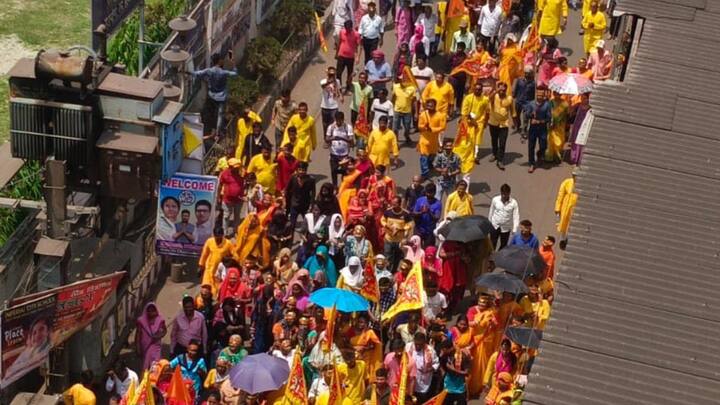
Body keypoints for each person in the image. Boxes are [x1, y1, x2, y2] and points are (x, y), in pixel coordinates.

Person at [192, 52, 237, 138]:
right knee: (220, 115)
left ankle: (208, 130)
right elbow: (235, 74)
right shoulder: (223, 72)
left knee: (211, 114)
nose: (223, 61)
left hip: (211, 96)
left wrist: (186, 72)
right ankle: (217, 133)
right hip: (221, 98)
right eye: (222, 60)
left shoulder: (209, 71)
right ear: (219, 61)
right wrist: (233, 63)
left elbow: (197, 73)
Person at [457, 82, 489, 173]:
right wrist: (469, 121)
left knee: (477, 139)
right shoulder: (468, 98)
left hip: (480, 122)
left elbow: (487, 112)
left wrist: (485, 122)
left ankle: (475, 155)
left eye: (479, 89)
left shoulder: (485, 99)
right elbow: (464, 112)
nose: (478, 90)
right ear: (473, 89)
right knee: (466, 138)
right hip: (468, 121)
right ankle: (464, 154)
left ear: (482, 90)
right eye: (476, 89)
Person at [381, 196, 413, 271]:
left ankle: (394, 270)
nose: (393, 205)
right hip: (389, 239)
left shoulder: (405, 214)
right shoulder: (388, 212)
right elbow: (382, 220)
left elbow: (410, 224)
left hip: (399, 240)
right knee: (388, 256)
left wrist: (400, 229)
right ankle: (387, 271)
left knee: (397, 257)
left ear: (399, 204)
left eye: (395, 203)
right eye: (392, 203)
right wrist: (388, 226)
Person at [417, 99, 447, 179]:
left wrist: (432, 129)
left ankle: (430, 164)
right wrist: (424, 127)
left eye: (431, 106)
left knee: (431, 156)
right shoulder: (423, 115)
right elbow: (420, 126)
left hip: (434, 141)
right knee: (423, 158)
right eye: (428, 106)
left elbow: (443, 127)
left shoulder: (440, 116)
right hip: (424, 141)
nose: (430, 108)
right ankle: (425, 173)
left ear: (435, 106)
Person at [198, 227, 233, 295]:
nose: (218, 238)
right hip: (209, 268)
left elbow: (234, 255)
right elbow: (204, 254)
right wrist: (201, 266)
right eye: (216, 236)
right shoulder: (209, 241)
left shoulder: (228, 243)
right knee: (206, 287)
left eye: (220, 236)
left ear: (223, 235)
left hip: (220, 270)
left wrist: (229, 259)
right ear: (214, 235)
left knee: (217, 289)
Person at [525, 88, 552, 173]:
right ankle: (531, 164)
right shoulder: (531, 104)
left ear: (544, 96)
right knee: (531, 146)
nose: (539, 97)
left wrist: (540, 121)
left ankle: (540, 154)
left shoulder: (547, 105)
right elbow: (526, 115)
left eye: (541, 95)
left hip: (542, 128)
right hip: (533, 129)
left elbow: (548, 118)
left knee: (543, 145)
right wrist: (531, 115)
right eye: (538, 95)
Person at [325, 111, 354, 187]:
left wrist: (342, 138)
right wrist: (333, 138)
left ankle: (344, 186)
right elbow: (327, 139)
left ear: (343, 119)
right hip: (334, 154)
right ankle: (335, 186)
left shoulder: (348, 127)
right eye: (337, 120)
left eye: (340, 120)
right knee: (334, 171)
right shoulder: (331, 127)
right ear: (335, 119)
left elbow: (351, 141)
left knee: (345, 172)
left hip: (344, 155)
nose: (339, 122)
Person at [285, 161, 317, 232]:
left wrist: (311, 206)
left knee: (308, 224)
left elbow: (313, 194)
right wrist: (286, 203)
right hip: (294, 205)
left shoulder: (311, 180)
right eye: (300, 170)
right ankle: (290, 241)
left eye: (303, 170)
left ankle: (306, 241)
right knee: (292, 225)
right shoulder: (293, 178)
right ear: (297, 170)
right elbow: (287, 190)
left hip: (305, 205)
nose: (301, 172)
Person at [136, 302, 167, 370]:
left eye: (153, 310)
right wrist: (138, 348)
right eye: (149, 311)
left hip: (156, 345)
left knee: (156, 364)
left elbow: (164, 331)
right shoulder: (141, 321)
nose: (151, 313)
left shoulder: (160, 320)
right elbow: (138, 334)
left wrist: (158, 336)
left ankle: (156, 378)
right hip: (145, 347)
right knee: (146, 365)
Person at [488, 184, 520, 250]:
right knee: (492, 244)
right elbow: (491, 211)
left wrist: (515, 229)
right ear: (501, 192)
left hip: (505, 228)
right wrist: (489, 223)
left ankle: (499, 258)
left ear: (509, 193)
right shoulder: (495, 200)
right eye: (503, 194)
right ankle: (491, 258)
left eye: (506, 194)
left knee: (503, 245)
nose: (504, 196)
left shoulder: (514, 203)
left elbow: (516, 216)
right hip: (494, 226)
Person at [440, 338, 470, 405]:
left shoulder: (463, 356)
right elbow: (442, 366)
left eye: (444, 349)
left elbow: (466, 373)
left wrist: (453, 370)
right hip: (448, 387)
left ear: (450, 348)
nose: (442, 351)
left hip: (459, 388)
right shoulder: (444, 356)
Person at [218, 158, 244, 234]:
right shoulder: (224, 173)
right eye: (235, 167)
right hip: (227, 199)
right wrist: (218, 197)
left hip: (239, 199)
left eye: (238, 167)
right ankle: (224, 234)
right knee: (226, 216)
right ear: (230, 166)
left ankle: (236, 232)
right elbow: (220, 185)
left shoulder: (242, 172)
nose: (237, 168)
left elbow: (248, 179)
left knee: (237, 216)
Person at [555, 169, 578, 249]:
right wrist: (557, 208)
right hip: (565, 208)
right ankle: (563, 240)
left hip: (575, 208)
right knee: (563, 224)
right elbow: (560, 195)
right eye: (574, 175)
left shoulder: (582, 186)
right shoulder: (567, 182)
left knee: (571, 225)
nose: (575, 177)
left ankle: (571, 239)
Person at [336, 20, 361, 91]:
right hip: (341, 56)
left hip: (350, 57)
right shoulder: (342, 32)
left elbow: (359, 46)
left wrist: (357, 57)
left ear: (351, 27)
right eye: (346, 28)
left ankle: (348, 87)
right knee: (338, 72)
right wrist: (337, 53)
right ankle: (339, 87)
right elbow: (339, 42)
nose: (347, 30)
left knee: (350, 74)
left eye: (349, 28)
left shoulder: (356, 34)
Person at [391, 74, 416, 144]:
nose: (402, 81)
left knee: (407, 127)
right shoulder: (395, 87)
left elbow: (414, 101)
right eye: (401, 79)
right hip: (397, 110)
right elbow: (393, 98)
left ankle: (406, 135)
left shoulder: (412, 88)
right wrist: (390, 107)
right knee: (395, 128)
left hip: (407, 111)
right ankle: (395, 142)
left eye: (404, 79)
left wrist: (416, 112)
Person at [512, 66, 536, 137]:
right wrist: (514, 96)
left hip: (527, 102)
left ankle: (524, 131)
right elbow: (515, 89)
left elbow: (534, 93)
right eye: (526, 73)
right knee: (516, 115)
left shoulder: (533, 83)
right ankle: (517, 126)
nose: (527, 75)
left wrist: (533, 103)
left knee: (526, 117)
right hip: (519, 100)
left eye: (529, 73)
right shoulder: (519, 80)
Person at [546, 91, 570, 163]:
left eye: (558, 94)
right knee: (551, 139)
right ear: (553, 94)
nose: (557, 96)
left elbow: (567, 114)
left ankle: (557, 155)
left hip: (561, 125)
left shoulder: (565, 104)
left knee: (560, 140)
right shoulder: (550, 103)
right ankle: (550, 156)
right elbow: (547, 112)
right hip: (551, 124)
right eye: (555, 94)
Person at [320, 67, 345, 136]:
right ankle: (326, 138)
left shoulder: (337, 81)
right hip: (325, 106)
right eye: (330, 74)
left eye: (333, 74)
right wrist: (329, 81)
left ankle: (333, 137)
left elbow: (339, 89)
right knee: (325, 124)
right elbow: (323, 86)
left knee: (334, 123)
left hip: (334, 106)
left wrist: (341, 96)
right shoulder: (323, 81)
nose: (332, 76)